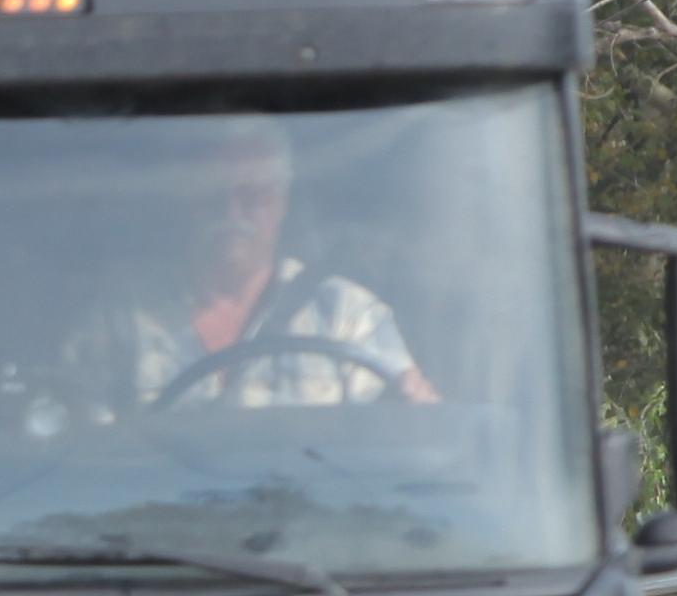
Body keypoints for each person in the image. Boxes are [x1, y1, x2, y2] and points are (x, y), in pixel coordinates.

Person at [32, 117, 435, 426]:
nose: (232, 213)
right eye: (214, 194)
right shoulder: (118, 322)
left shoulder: (346, 316)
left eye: (253, 196)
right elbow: (78, 457)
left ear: (282, 203)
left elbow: (400, 445)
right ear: (187, 200)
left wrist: (416, 414)